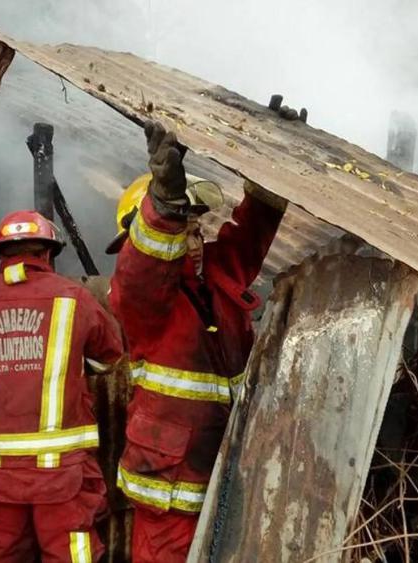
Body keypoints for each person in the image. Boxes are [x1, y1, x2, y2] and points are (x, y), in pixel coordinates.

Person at [107, 121, 286, 562]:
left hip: (223, 472)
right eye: (179, 230)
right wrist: (163, 206)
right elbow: (142, 269)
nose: (193, 242)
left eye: (195, 229)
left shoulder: (215, 281)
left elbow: (249, 237)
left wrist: (274, 164)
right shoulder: (143, 301)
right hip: (169, 491)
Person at [0, 210, 124, 563]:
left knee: (7, 553)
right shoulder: (72, 297)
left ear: (1, 255)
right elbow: (110, 357)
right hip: (61, 472)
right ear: (48, 253)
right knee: (69, 554)